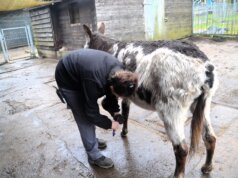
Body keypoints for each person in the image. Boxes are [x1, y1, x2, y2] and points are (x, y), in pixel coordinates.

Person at [55, 49, 138, 169]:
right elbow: (91, 113)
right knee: (84, 118)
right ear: (112, 86)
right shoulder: (93, 80)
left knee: (89, 110)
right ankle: (94, 156)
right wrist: (110, 124)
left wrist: (115, 112)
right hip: (67, 79)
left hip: (84, 71)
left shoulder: (119, 72)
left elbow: (111, 94)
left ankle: (91, 139)